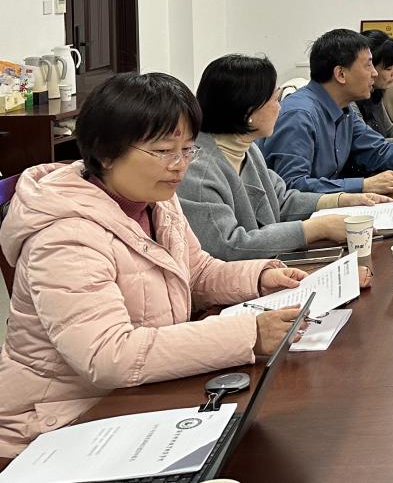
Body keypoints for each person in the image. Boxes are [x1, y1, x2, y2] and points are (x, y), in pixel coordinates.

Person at [0, 73, 316, 456]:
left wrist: (260, 277)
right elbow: (109, 355)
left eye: (187, 149)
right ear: (105, 153)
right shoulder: (66, 235)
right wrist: (248, 334)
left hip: (133, 398)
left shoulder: (154, 199)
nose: (180, 166)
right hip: (56, 424)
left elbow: (196, 271)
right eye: (164, 151)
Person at [180, 54, 393, 261]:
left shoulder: (247, 148)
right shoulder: (198, 170)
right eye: (275, 99)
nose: (280, 107)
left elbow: (281, 200)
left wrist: (342, 200)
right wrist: (315, 229)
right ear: (247, 111)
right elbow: (230, 246)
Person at [262, 29, 393, 194]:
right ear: (340, 74)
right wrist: (363, 185)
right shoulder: (300, 115)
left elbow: (379, 151)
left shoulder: (344, 108)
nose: (375, 73)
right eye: (368, 66)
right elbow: (292, 187)